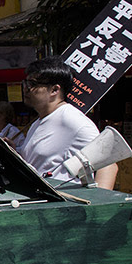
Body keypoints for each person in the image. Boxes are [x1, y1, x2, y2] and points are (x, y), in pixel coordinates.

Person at [18, 57, 117, 189]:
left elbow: (108, 164)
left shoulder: (73, 120)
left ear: (54, 90)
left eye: (33, 84)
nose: (26, 89)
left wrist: (97, 205)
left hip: (63, 205)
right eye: (25, 83)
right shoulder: (39, 121)